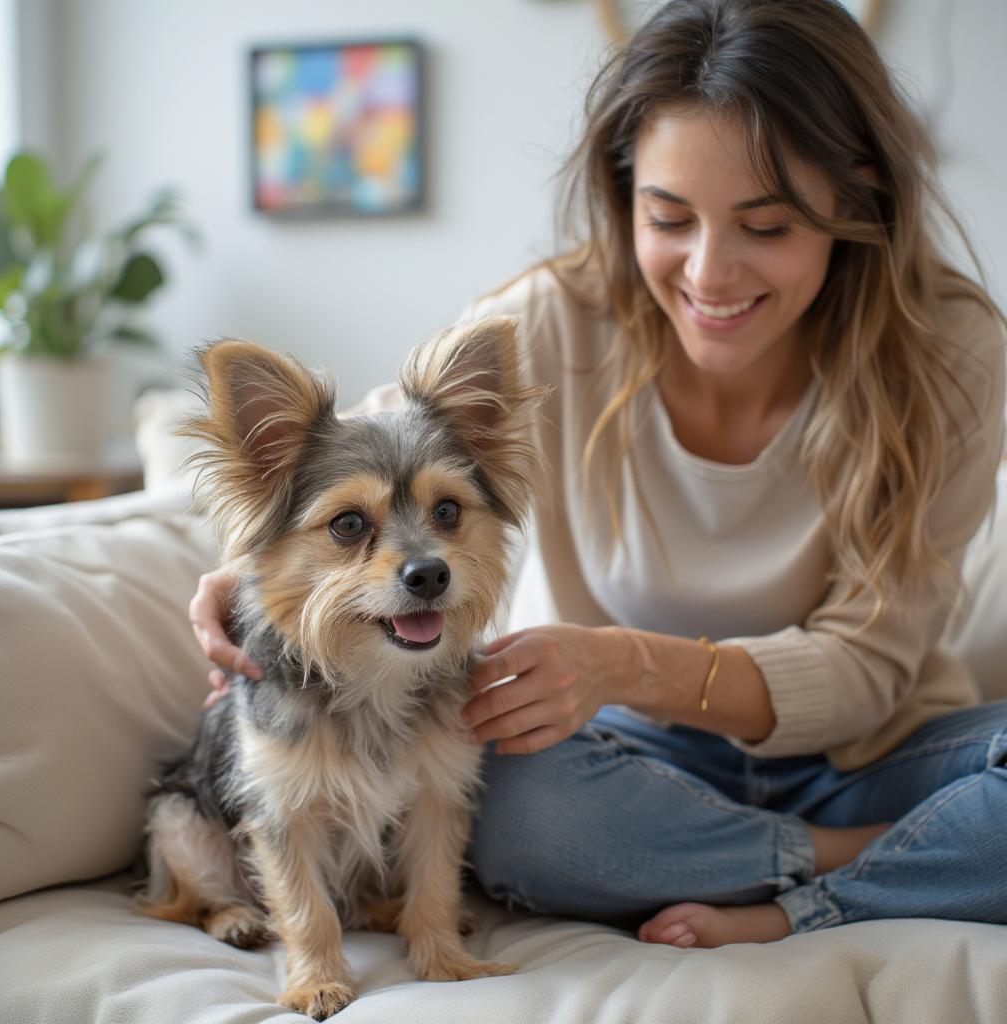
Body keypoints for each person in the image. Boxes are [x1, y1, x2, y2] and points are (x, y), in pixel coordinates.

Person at [189, 0, 1006, 948]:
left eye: (768, 225)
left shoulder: (954, 350)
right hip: (623, 761)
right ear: (624, 198)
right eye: (668, 217)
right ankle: (863, 858)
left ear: (857, 199)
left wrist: (624, 660)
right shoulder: (544, 325)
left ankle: (799, 899)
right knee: (520, 814)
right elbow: (371, 459)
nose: (710, 272)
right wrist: (245, 573)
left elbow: (870, 669)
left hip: (874, 751)